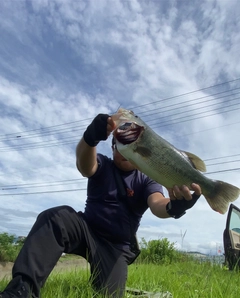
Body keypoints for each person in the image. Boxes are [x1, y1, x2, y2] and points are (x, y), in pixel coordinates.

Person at [0, 113, 202, 298]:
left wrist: (174, 207)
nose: (124, 151)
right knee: (55, 217)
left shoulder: (146, 179)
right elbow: (85, 165)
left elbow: (158, 203)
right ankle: (21, 290)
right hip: (85, 230)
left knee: (109, 294)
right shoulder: (104, 164)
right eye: (118, 144)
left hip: (116, 249)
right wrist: (90, 138)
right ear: (113, 147)